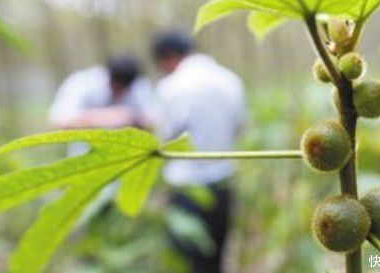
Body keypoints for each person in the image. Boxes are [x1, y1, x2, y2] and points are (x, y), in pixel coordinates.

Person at [151, 31, 247, 273]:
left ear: (168, 57)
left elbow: (164, 137)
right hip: (223, 183)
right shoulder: (230, 80)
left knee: (190, 262)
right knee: (216, 258)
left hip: (187, 188)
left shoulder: (171, 87)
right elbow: (239, 127)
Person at [48, 54, 156, 219]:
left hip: (127, 163)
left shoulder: (137, 86)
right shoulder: (82, 83)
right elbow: (59, 120)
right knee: (86, 211)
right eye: (117, 87)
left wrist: (133, 118)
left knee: (122, 215)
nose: (121, 93)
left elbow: (154, 118)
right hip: (86, 161)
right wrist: (108, 117)